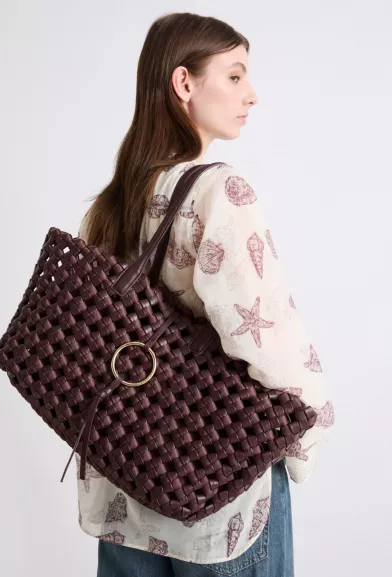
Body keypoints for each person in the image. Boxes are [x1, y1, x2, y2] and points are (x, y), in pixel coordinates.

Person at [75, 11, 335, 577]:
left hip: (128, 483)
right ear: (184, 83)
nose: (252, 94)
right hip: (220, 494)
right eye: (235, 76)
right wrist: (314, 427)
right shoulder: (220, 191)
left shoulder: (112, 204)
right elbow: (262, 337)